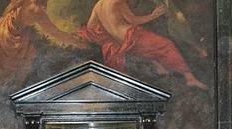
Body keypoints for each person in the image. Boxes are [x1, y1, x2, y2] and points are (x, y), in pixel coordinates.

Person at [79, 0, 207, 89]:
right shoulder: (117, 2)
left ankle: (161, 69)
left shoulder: (98, 5)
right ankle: (190, 78)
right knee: (166, 45)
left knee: (149, 50)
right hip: (132, 37)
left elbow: (91, 27)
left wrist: (110, 34)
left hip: (120, 42)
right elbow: (133, 20)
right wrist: (153, 15)